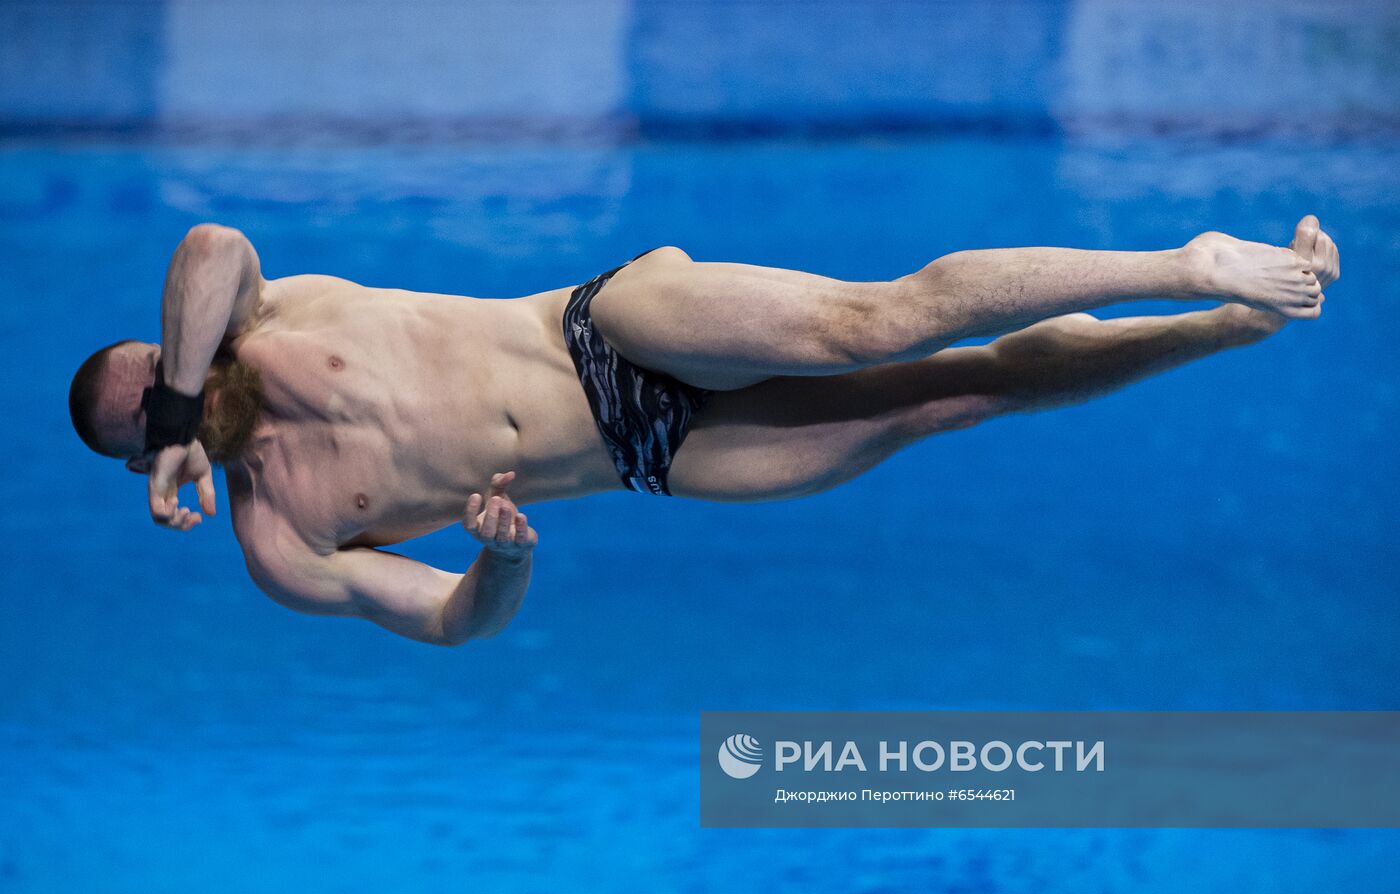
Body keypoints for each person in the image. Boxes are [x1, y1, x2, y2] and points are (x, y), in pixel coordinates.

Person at [68, 217, 1339, 645]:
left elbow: (207, 246)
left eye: (171, 378)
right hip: (647, 460)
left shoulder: (262, 312)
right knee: (959, 395)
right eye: (159, 413)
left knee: (872, 321)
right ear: (142, 462)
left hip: (600, 329)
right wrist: (502, 562)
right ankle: (1224, 329)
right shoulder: (281, 542)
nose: (186, 395)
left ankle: (1183, 264)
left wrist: (183, 402)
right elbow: (449, 622)